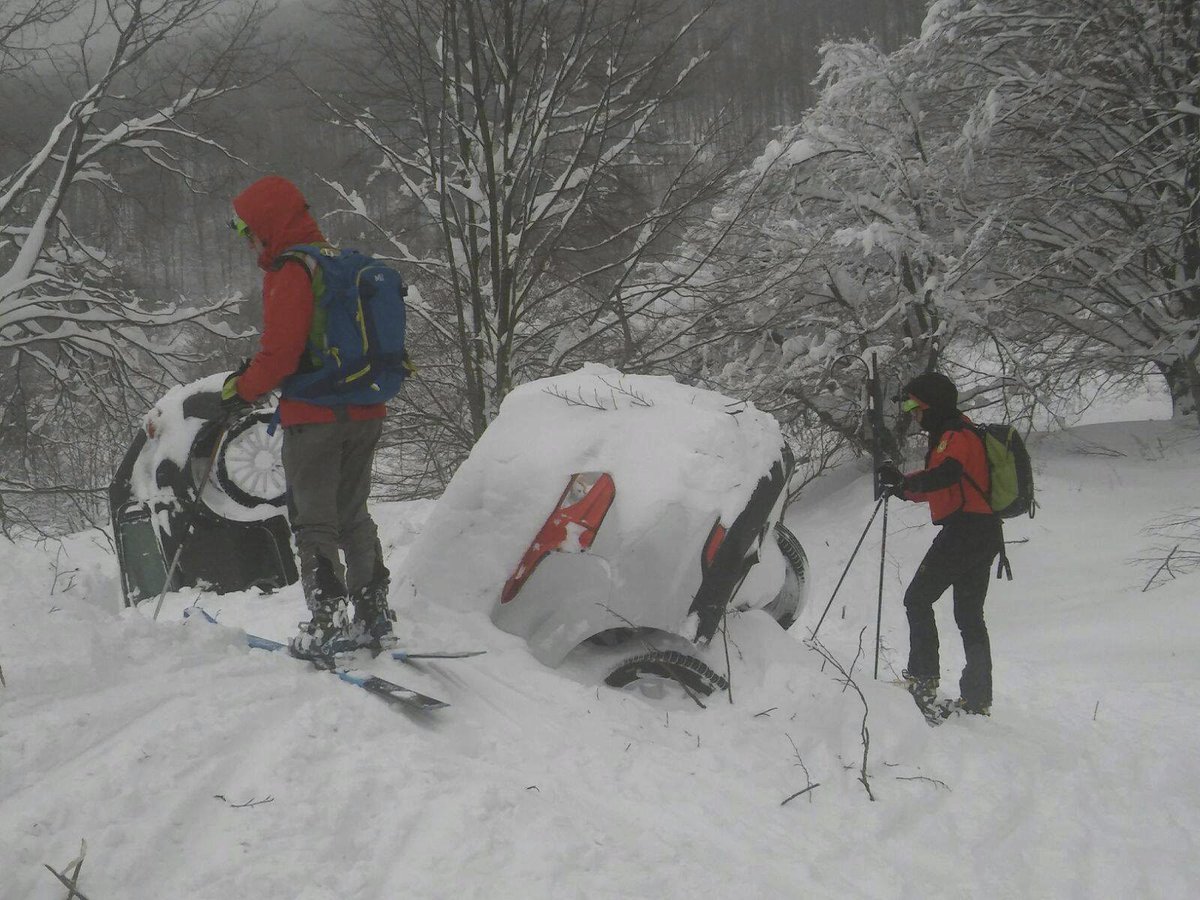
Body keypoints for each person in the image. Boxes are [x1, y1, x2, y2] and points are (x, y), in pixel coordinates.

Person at [220, 175, 397, 659]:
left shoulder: (291, 271)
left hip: (314, 417)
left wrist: (240, 389)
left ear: (267, 225)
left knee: (313, 521)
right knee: (353, 513)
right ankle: (373, 614)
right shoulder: (339, 264)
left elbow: (280, 355)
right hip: (366, 411)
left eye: (248, 231)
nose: (248, 242)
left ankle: (327, 622)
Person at [876, 371, 1002, 716]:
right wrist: (902, 486)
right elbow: (945, 483)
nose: (915, 416)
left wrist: (906, 483)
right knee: (969, 615)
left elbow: (947, 474)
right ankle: (977, 698)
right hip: (982, 532)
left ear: (932, 406)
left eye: (917, 408)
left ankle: (923, 680)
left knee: (917, 599)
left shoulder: (955, 435)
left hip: (966, 532)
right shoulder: (957, 432)